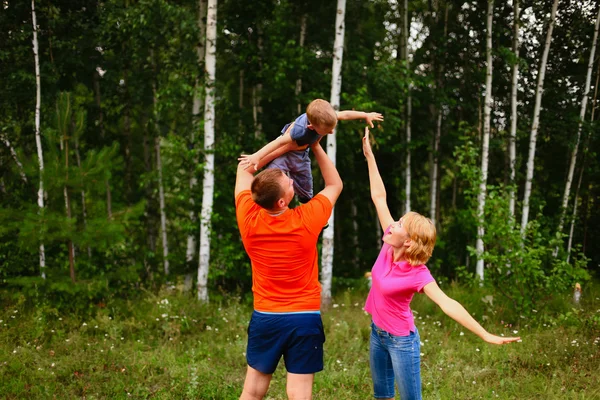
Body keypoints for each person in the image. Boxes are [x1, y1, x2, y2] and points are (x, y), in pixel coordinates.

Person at [361, 127, 520, 400]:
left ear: (408, 242)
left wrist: (484, 334)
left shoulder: (417, 274)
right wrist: (369, 156)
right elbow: (378, 196)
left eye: (399, 224)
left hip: (402, 342)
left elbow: (448, 304)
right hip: (378, 334)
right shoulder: (390, 242)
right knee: (382, 396)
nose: (392, 224)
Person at [235, 138, 343, 400]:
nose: (293, 181)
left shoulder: (247, 217)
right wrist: (313, 145)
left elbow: (244, 168)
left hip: (266, 316)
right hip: (303, 318)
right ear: (282, 202)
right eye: (289, 183)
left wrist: (284, 145)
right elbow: (334, 184)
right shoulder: (306, 219)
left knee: (251, 391)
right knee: (299, 394)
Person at [239, 98, 382, 203]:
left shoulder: (325, 117)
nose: (331, 132)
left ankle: (306, 201)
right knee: (274, 180)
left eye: (332, 128)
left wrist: (365, 115)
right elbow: (279, 142)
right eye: (327, 130)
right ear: (311, 127)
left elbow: (344, 115)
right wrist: (257, 156)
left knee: (305, 180)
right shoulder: (299, 131)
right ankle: (268, 205)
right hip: (284, 154)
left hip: (301, 154)